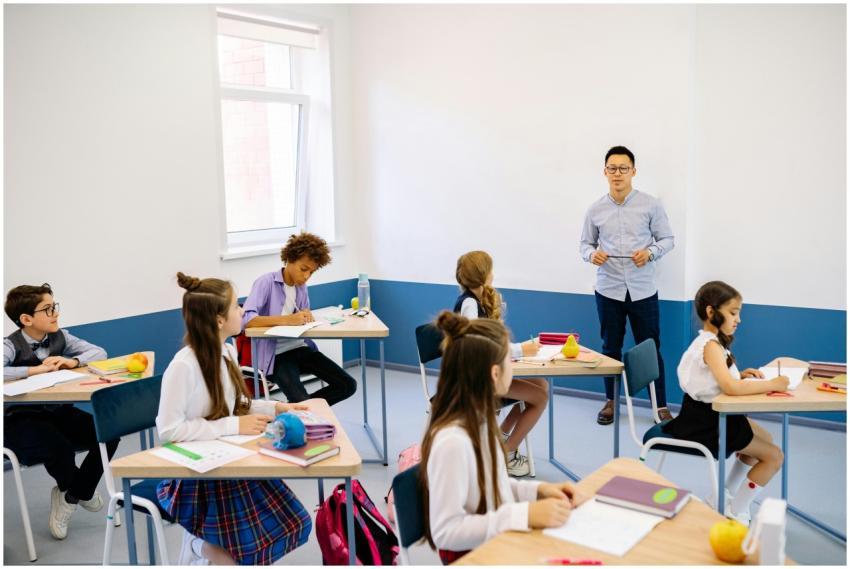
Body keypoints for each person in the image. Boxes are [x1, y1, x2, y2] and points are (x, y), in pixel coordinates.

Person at [156, 272, 312, 565]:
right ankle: (197, 546)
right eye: (236, 306)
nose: (243, 310)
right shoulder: (182, 367)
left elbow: (237, 402)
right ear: (218, 320)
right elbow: (168, 430)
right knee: (242, 553)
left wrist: (275, 408)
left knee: (296, 525)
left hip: (229, 459)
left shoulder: (227, 351)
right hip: (195, 476)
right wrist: (233, 425)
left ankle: (205, 545)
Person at [419, 311, 586, 564]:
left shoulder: (480, 422)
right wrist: (525, 515)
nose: (513, 366)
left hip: (498, 545)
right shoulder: (452, 442)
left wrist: (539, 490)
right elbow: (445, 532)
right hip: (479, 557)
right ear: (495, 374)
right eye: (510, 359)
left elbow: (495, 487)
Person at [662, 281, 787, 525]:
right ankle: (737, 512)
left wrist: (740, 375)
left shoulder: (713, 342)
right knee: (774, 457)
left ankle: (722, 496)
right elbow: (730, 388)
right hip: (705, 422)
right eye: (733, 312)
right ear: (711, 312)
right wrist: (774, 385)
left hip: (711, 414)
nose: (738, 319)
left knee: (766, 440)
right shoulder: (710, 346)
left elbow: (719, 380)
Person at [3, 283, 116, 540]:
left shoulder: (61, 336)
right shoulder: (9, 345)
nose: (55, 313)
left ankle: (73, 494)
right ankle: (76, 489)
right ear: (26, 319)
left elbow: (100, 352)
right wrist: (32, 370)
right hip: (19, 420)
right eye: (48, 308)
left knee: (108, 433)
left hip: (56, 411)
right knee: (60, 447)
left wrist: (72, 361)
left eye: (55, 306)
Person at [579, 145, 675, 425]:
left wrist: (651, 253)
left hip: (643, 289)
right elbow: (584, 244)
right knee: (610, 347)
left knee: (650, 348)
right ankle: (611, 402)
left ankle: (659, 407)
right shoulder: (595, 209)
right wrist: (591, 255)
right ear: (604, 172)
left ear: (633, 171)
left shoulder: (651, 205)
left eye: (623, 168)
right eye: (612, 168)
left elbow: (667, 239)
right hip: (608, 289)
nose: (617, 173)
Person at [454, 250, 548, 477]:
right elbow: (480, 346)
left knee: (541, 383)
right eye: (491, 269)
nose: (493, 274)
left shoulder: (478, 300)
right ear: (482, 274)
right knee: (541, 398)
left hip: (487, 373)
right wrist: (519, 350)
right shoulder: (469, 305)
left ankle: (500, 438)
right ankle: (506, 454)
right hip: (474, 383)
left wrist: (519, 349)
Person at [242, 231, 356, 406]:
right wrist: (288, 319)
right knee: (302, 401)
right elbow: (247, 319)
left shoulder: (301, 287)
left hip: (301, 348)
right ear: (289, 259)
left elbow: (300, 317)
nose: (306, 276)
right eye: (304, 269)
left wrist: (306, 317)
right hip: (276, 355)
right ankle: (302, 408)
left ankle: (298, 409)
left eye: (312, 272)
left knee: (348, 385)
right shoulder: (265, 282)